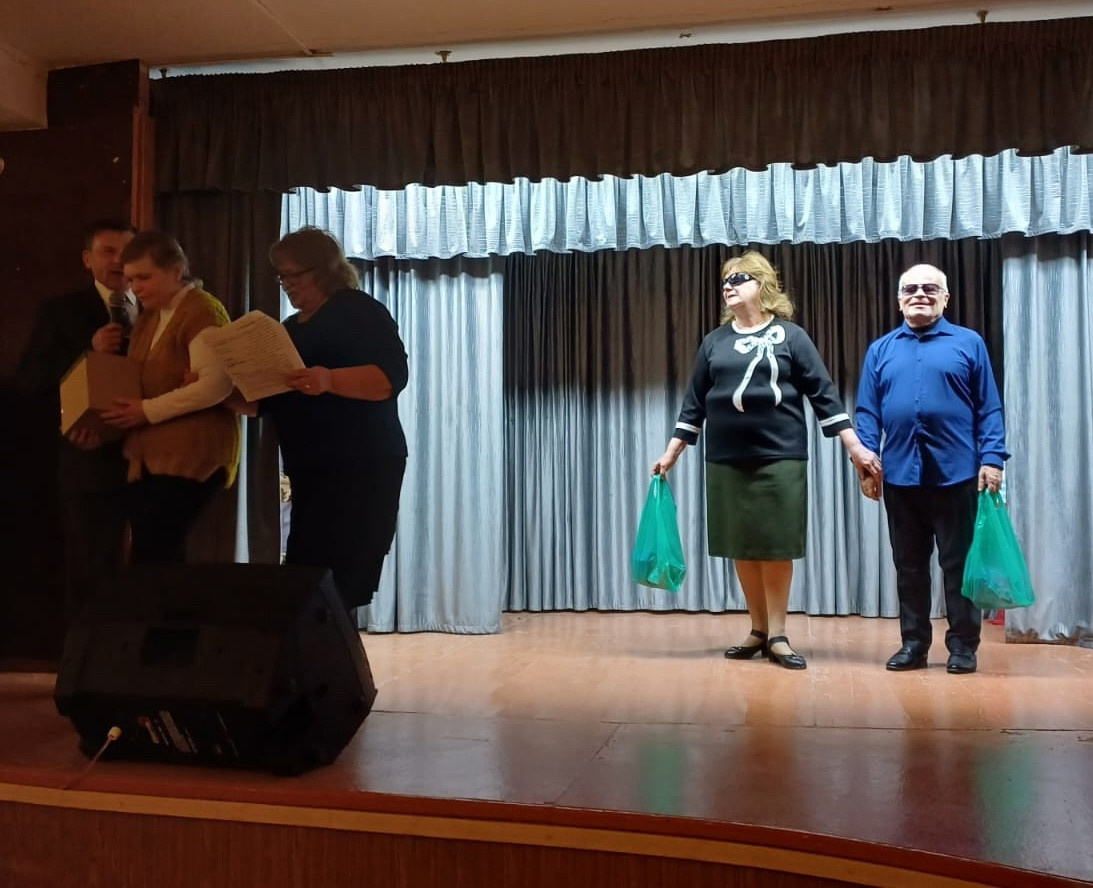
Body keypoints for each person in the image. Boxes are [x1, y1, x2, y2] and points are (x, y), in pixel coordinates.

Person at [653, 251, 881, 670]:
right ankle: (757, 629)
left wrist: (855, 447)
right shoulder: (714, 341)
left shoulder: (791, 336)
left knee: (775, 546)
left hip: (780, 456)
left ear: (763, 285)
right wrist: (671, 453)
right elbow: (694, 403)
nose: (728, 286)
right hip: (726, 458)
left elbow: (823, 394)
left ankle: (778, 633)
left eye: (739, 278)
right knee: (742, 545)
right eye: (725, 280)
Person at [856, 264, 1008, 675]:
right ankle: (914, 645)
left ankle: (963, 647)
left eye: (929, 288)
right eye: (911, 288)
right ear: (899, 299)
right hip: (900, 475)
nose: (919, 294)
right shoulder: (880, 350)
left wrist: (992, 458)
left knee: (958, 566)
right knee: (908, 566)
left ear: (945, 298)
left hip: (958, 474)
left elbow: (989, 407)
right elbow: (867, 411)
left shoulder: (969, 343)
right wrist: (866, 463)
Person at [259, 227, 408, 613]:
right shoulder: (289, 329)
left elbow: (389, 378)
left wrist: (329, 380)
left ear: (325, 269)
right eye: (282, 276)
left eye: (296, 274)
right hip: (312, 469)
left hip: (361, 465)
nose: (288, 284)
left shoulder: (357, 309)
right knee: (309, 581)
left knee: (341, 581)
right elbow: (269, 400)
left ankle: (339, 651)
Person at [15, 220, 137, 617]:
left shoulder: (158, 306)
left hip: (150, 454)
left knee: (153, 565)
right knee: (91, 565)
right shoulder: (60, 312)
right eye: (108, 252)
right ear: (87, 259)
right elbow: (31, 379)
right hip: (88, 454)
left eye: (127, 253)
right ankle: (87, 650)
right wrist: (88, 350)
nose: (118, 261)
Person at [100, 231, 240, 563]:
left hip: (192, 453)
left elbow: (216, 385)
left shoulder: (201, 310)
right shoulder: (150, 316)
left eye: (145, 277)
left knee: (155, 554)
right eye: (131, 279)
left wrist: (146, 410)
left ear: (176, 271)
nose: (136, 287)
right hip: (149, 455)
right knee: (155, 557)